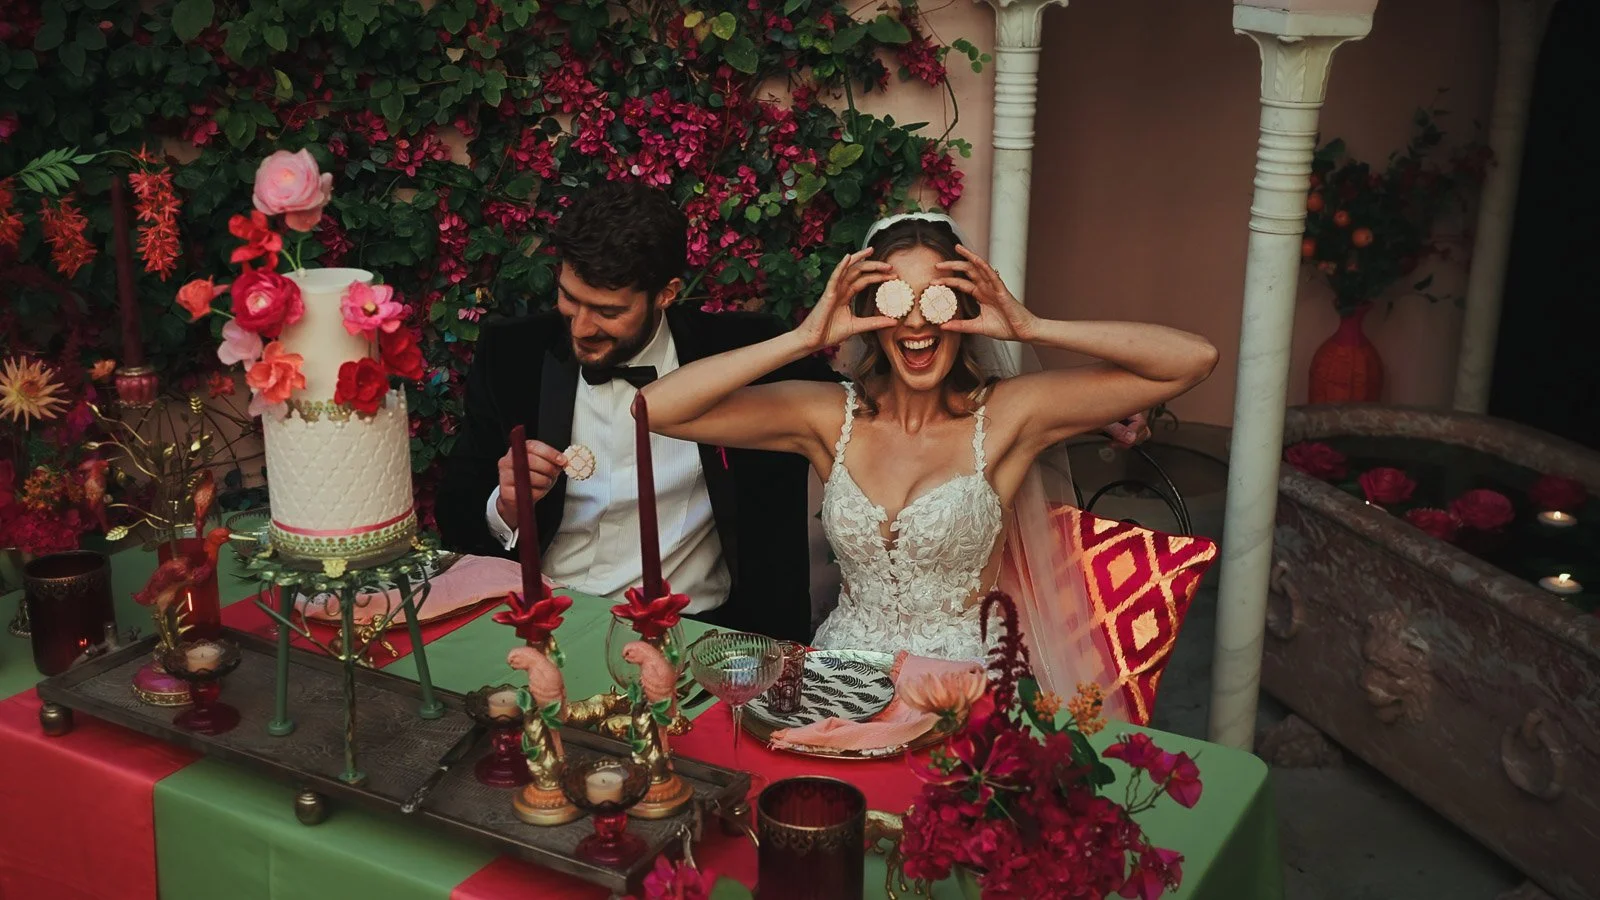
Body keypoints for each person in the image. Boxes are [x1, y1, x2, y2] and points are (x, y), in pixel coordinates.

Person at [638, 213, 1217, 685]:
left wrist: (1030, 326)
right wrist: (803, 337)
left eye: (936, 298)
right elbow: (655, 409)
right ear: (869, 314)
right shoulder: (825, 415)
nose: (917, 320)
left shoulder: (1010, 415)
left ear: (964, 310)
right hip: (841, 677)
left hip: (961, 689)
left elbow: (1192, 359)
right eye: (896, 299)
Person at [435, 182, 837, 644]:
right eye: (569, 298)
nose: (581, 328)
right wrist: (506, 505)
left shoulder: (740, 354)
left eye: (608, 310)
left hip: (701, 632)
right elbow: (456, 513)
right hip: (549, 623)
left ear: (665, 294)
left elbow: (865, 411)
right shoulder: (512, 354)